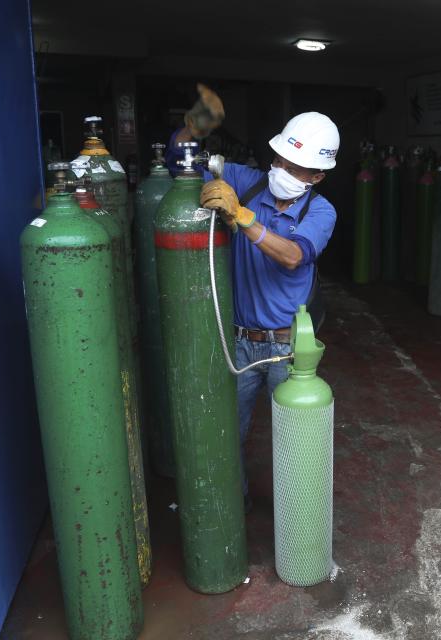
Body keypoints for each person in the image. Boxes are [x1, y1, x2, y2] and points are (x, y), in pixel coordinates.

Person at [168, 85, 340, 501]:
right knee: (228, 437)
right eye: (281, 157)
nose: (282, 168)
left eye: (296, 165)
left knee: (295, 444)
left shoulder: (321, 211)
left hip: (287, 349)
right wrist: (194, 127)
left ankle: (293, 520)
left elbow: (293, 256)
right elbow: (179, 166)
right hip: (240, 343)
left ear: (317, 176)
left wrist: (241, 217)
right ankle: (234, 513)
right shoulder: (247, 181)